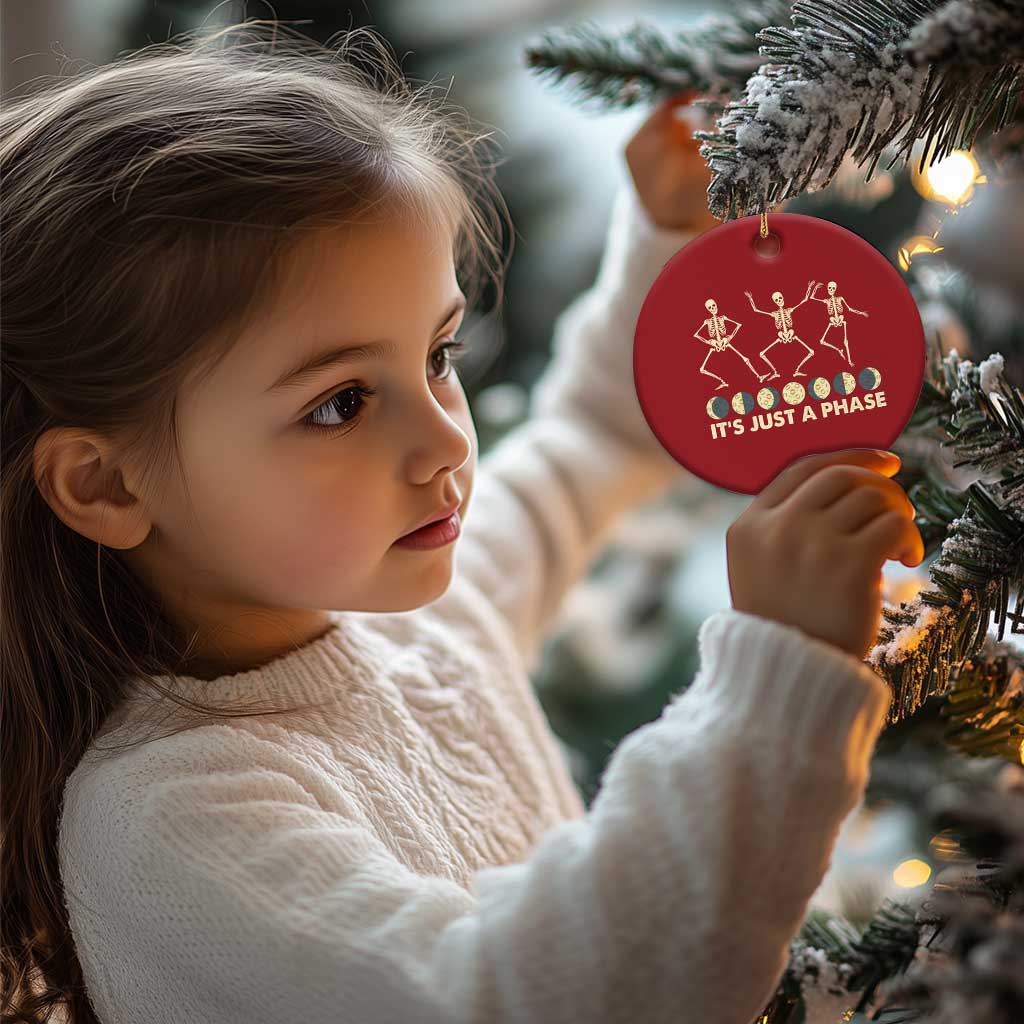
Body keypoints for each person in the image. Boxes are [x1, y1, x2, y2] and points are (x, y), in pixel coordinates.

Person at [0, 21, 923, 1024]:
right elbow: (530, 1000)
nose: (443, 442)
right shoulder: (170, 817)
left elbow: (593, 439)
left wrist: (667, 239)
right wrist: (776, 676)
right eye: (340, 402)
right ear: (106, 488)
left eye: (436, 356)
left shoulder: (424, 621)